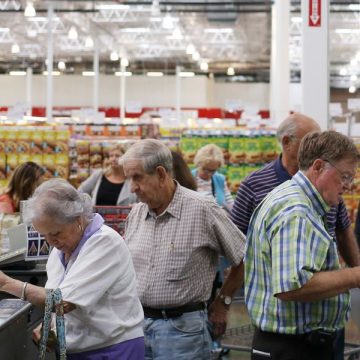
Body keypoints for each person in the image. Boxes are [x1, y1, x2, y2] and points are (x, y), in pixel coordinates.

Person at [122, 139, 245, 360]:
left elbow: (244, 256)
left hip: (183, 332)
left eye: (137, 177)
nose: (132, 187)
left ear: (161, 174)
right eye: (129, 178)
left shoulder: (202, 209)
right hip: (138, 327)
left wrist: (223, 303)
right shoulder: (137, 213)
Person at [245, 130, 360, 360]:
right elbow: (292, 286)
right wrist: (356, 276)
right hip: (292, 348)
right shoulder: (296, 211)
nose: (348, 185)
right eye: (345, 176)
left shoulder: (297, 200)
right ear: (318, 166)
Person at [0, 179, 144, 359]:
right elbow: (61, 294)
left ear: (78, 219)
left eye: (56, 233)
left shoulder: (104, 243)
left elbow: (62, 302)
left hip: (112, 350)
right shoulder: (60, 249)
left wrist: (6, 283)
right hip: (78, 351)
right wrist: (52, 327)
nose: (50, 242)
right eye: (44, 235)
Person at [231, 113, 360, 270]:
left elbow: (343, 231)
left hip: (324, 282)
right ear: (287, 142)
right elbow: (236, 240)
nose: (318, 146)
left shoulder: (328, 184)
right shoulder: (255, 185)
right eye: (310, 139)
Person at [192, 143, 234, 211]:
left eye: (213, 171)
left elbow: (230, 203)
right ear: (198, 164)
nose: (209, 174)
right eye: (205, 169)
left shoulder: (220, 179)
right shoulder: (189, 179)